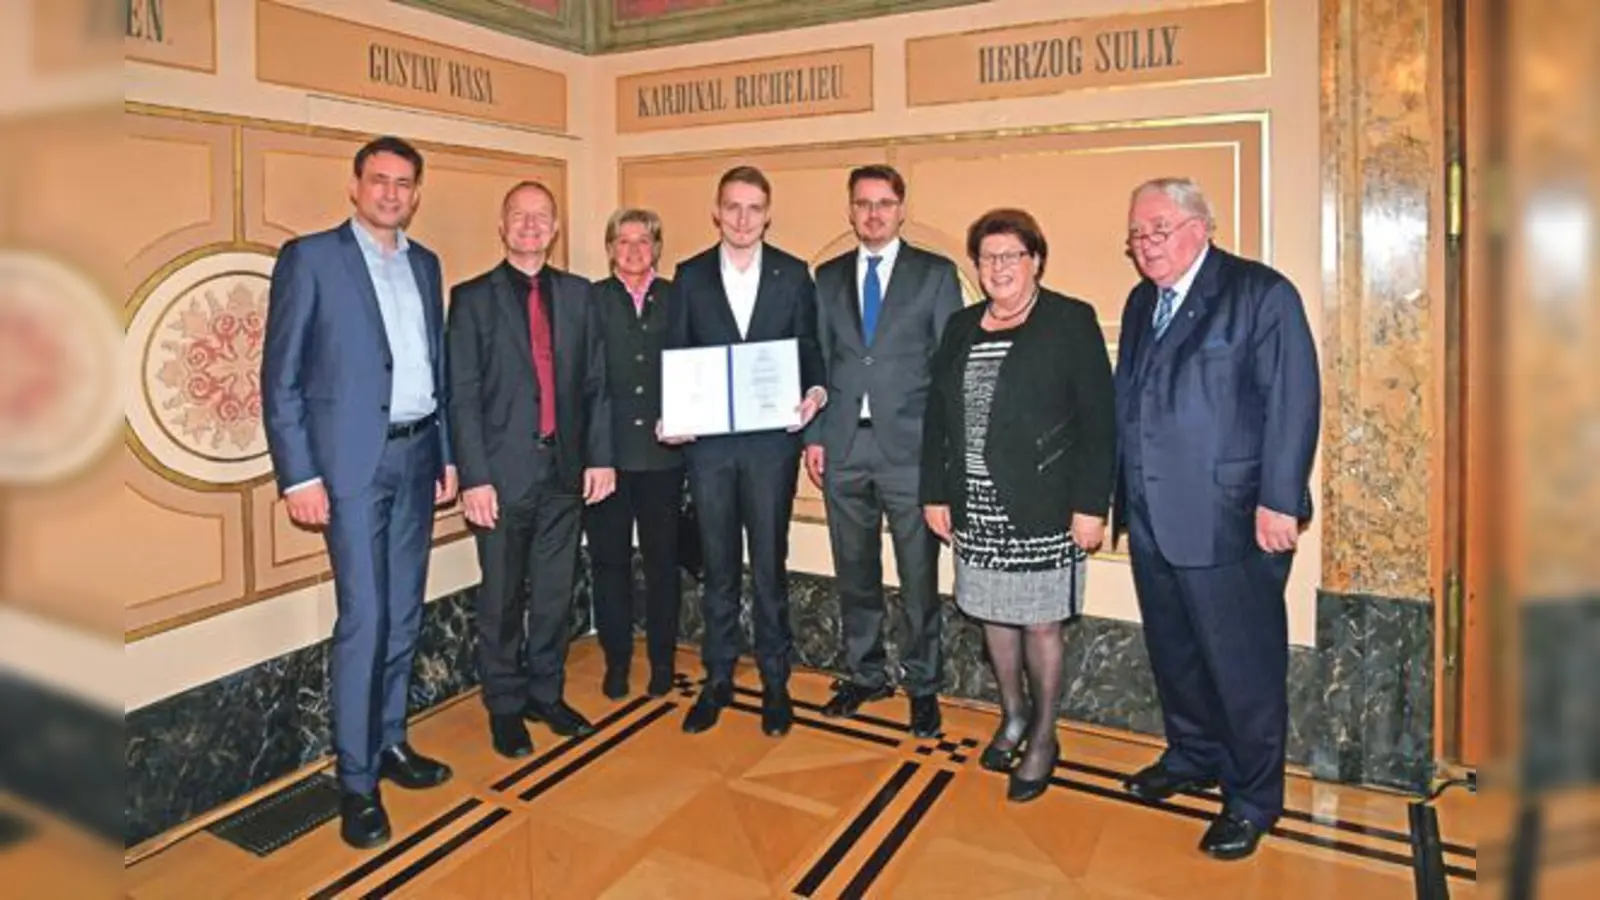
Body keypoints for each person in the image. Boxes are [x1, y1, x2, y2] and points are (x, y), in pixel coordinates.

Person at [1112, 177, 1319, 860]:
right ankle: (1194, 754)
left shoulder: (1261, 294)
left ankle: (1255, 797)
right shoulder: (1144, 301)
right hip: (1152, 514)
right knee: (1177, 653)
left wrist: (1280, 500)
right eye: (1137, 234)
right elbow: (1133, 402)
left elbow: (1293, 402)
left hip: (1233, 520)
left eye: (1158, 229)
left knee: (1243, 666)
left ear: (1201, 227)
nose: (1146, 245)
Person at [262, 135, 457, 849]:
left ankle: (391, 742)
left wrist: (446, 455)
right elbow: (279, 378)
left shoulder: (425, 263)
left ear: (415, 192)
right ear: (354, 185)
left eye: (404, 184)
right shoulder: (311, 259)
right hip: (347, 471)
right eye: (379, 181)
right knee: (365, 619)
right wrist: (299, 474)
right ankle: (355, 781)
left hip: (416, 459)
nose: (391, 194)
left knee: (404, 615)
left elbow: (432, 368)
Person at [920, 208, 1115, 803]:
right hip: (974, 504)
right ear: (976, 266)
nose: (999, 267)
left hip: (1045, 505)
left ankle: (1045, 735)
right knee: (992, 616)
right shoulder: (959, 326)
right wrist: (935, 490)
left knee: (1039, 621)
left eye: (1012, 256)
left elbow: (1099, 422)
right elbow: (937, 418)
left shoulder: (1070, 321)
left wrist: (1091, 505)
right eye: (988, 257)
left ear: (1036, 261)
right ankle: (1012, 714)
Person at [445, 180, 616, 760]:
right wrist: (473, 476)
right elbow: (460, 395)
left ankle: (547, 692)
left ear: (556, 227)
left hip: (565, 474)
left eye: (541, 217)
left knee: (553, 594)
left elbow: (597, 385)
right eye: (519, 215)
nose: (530, 225)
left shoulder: (579, 295)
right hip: (499, 478)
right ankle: (505, 706)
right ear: (502, 224)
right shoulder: (471, 299)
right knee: (500, 599)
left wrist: (600, 456)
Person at [662, 165, 827, 737]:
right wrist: (672, 414)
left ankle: (775, 684)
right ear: (716, 210)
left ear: (767, 213)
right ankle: (718, 678)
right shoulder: (688, 276)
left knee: (769, 567)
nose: (742, 219)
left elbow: (811, 350)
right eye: (732, 207)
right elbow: (676, 354)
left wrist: (816, 392)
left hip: (770, 449)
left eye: (753, 208)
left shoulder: (792, 274)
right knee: (718, 567)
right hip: (707, 449)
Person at [805, 165, 963, 737]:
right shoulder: (824, 279)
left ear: (902, 208)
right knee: (854, 571)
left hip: (911, 452)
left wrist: (944, 456)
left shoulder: (935, 275)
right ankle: (866, 673)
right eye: (863, 203)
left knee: (918, 574)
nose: (873, 213)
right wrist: (815, 438)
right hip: (843, 447)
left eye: (885, 203)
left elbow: (949, 372)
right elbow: (816, 363)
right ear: (850, 210)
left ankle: (923, 683)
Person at [584, 208, 685, 700]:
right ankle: (617, 661)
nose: (633, 250)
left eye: (643, 241)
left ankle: (663, 662)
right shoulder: (589, 301)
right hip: (606, 462)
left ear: (657, 248)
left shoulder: (678, 298)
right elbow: (582, 381)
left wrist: (690, 419)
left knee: (664, 565)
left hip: (666, 459)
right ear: (609, 250)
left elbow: (696, 365)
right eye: (622, 242)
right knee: (610, 565)